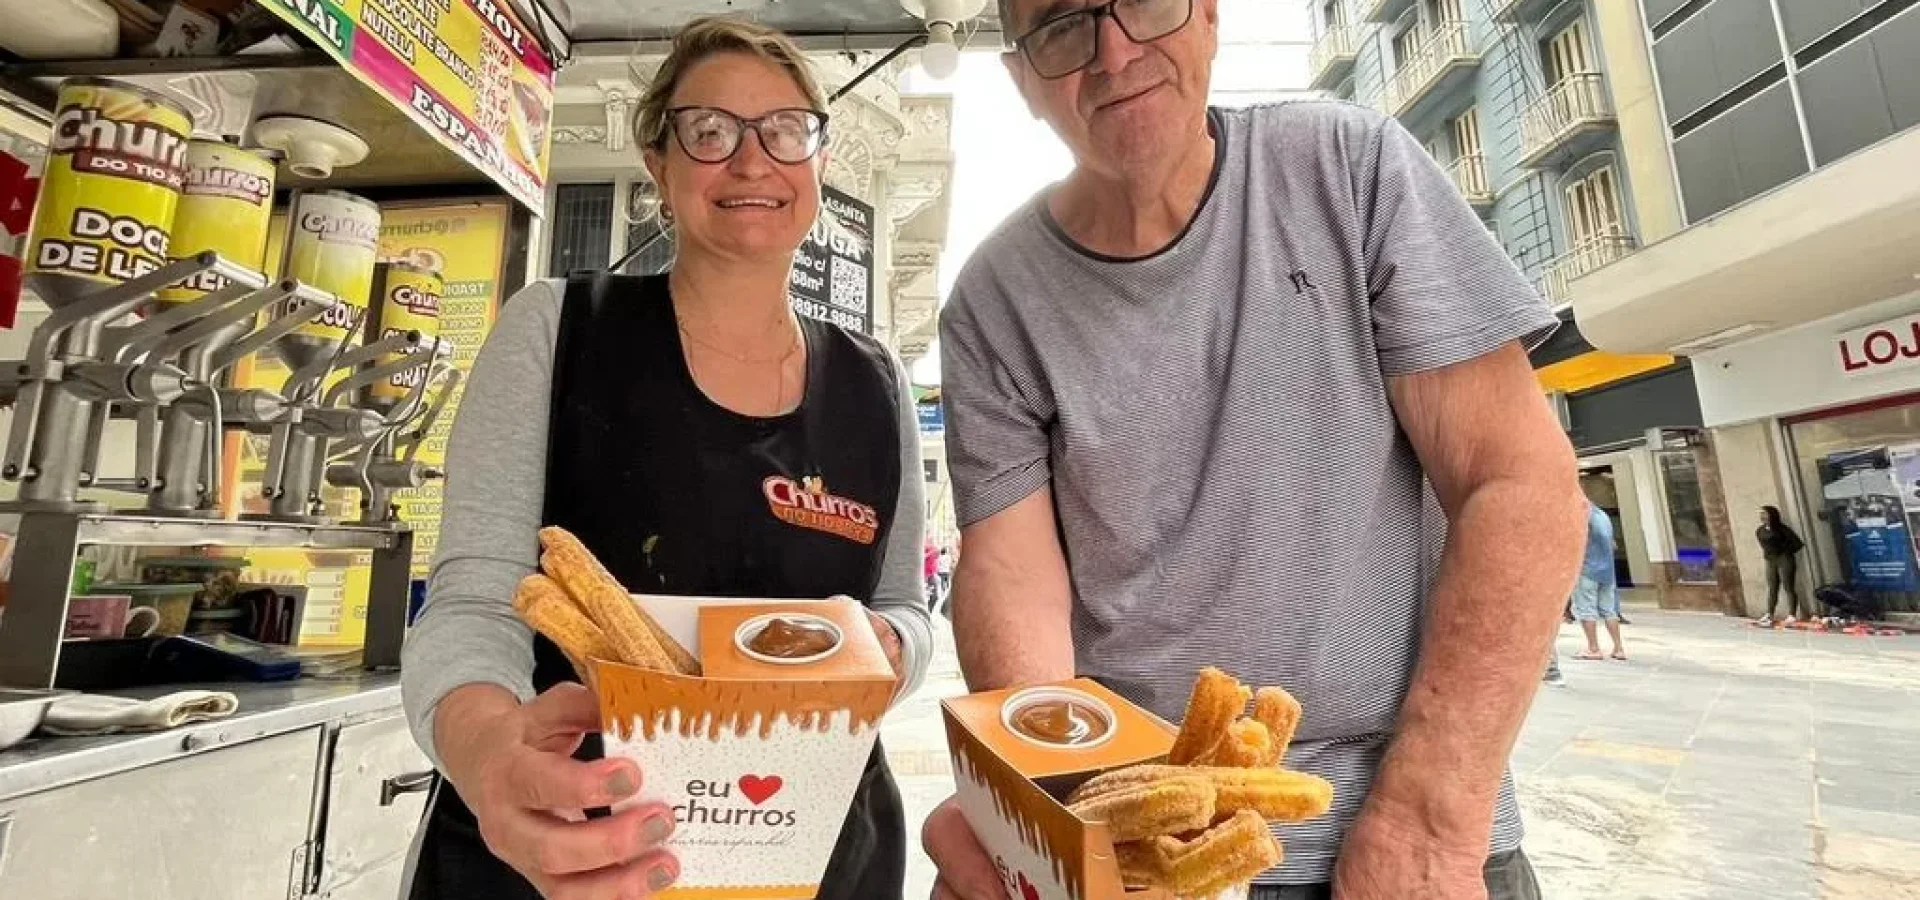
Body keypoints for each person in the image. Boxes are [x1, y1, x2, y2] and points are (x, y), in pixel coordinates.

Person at [919, 0, 1587, 897]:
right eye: (1063, 25)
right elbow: (1014, 576)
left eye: (1145, 5)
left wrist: (1430, 819)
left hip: (1406, 834)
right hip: (1146, 845)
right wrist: (1059, 816)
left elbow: (1518, 483)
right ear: (1024, 79)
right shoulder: (995, 297)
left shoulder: (1349, 168)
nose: (1115, 51)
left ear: (1208, 16)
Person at [399, 18, 932, 900]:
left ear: (819, 160)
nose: (753, 162)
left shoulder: (877, 384)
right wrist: (489, 756)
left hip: (814, 850)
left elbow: (906, 611)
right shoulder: (557, 330)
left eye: (786, 130)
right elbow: (476, 601)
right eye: (710, 131)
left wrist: (882, 647)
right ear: (659, 161)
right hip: (573, 843)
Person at [1570, 503, 1625, 661]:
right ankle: (1618, 648)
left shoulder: (1582, 515)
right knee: (1610, 610)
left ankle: (1593, 648)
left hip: (1587, 570)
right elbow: (1613, 545)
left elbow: (1579, 543)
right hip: (1607, 571)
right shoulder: (1603, 516)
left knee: (1586, 609)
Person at [1757, 504, 1806, 626]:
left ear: (1772, 515)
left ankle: (1792, 614)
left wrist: (1785, 551)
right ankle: (1769, 613)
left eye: (1765, 514)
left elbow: (1797, 544)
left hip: (1784, 559)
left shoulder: (1782, 529)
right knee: (1772, 587)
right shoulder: (1760, 531)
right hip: (1770, 560)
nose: (1762, 516)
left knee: (1788, 586)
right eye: (1761, 514)